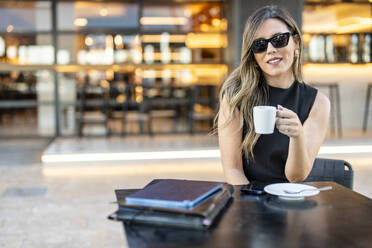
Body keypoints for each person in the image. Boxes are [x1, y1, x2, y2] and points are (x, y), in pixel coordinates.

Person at [216, 5, 330, 185]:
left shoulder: (318, 103)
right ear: (253, 54)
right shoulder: (236, 96)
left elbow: (296, 177)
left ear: (296, 42)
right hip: (247, 198)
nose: (270, 49)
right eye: (259, 45)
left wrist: (297, 136)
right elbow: (233, 170)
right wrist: (252, 207)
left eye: (278, 39)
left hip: (291, 200)